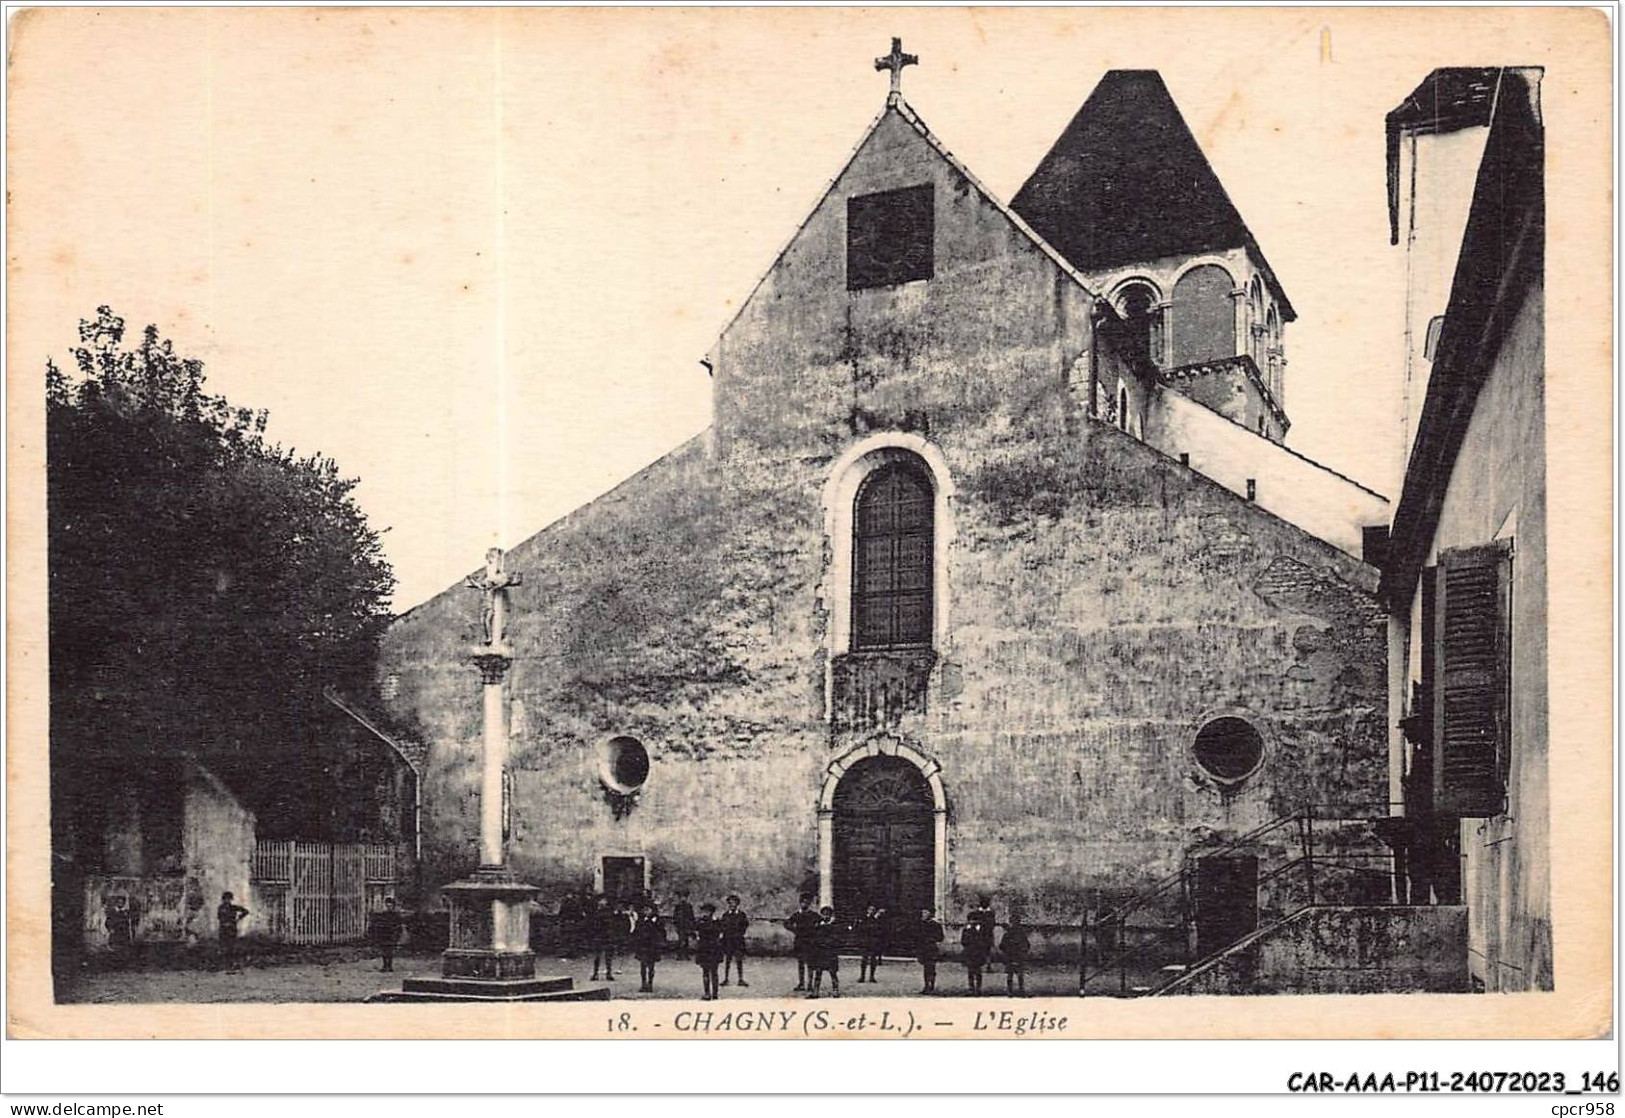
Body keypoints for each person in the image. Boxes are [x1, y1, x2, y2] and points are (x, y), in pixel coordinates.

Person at [785, 893, 819, 992]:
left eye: (807, 902)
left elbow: (821, 923)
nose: (805, 904)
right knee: (800, 963)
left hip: (810, 942)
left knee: (810, 964)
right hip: (800, 941)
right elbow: (787, 923)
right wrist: (794, 930)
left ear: (809, 903)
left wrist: (815, 932)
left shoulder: (813, 915)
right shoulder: (796, 915)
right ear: (800, 903)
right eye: (803, 902)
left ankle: (809, 984)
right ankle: (801, 983)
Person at [807, 906, 841, 999]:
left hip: (830, 952)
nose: (826, 916)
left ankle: (835, 991)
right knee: (818, 972)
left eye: (828, 914)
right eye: (824, 914)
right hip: (820, 952)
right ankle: (815, 992)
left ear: (831, 915)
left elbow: (836, 939)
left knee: (832, 972)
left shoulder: (834, 926)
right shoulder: (818, 926)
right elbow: (815, 937)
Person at [632, 901, 664, 993]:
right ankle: (643, 983)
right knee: (642, 966)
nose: (646, 911)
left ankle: (650, 984)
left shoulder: (657, 921)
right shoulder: (641, 920)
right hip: (643, 946)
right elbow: (636, 932)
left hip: (652, 946)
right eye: (644, 910)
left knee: (651, 966)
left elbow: (661, 932)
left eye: (648, 909)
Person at [694, 902, 723, 1000]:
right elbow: (695, 932)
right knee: (705, 971)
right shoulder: (700, 922)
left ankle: (715, 993)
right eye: (704, 911)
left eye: (707, 911)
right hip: (704, 949)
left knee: (714, 972)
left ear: (711, 912)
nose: (705, 913)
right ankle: (707, 992)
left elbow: (720, 932)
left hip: (713, 949)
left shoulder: (716, 922)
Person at [718, 895, 749, 988]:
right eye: (730, 903)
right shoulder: (726, 915)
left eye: (734, 903)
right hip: (728, 940)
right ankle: (726, 979)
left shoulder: (742, 915)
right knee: (728, 960)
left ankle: (740, 979)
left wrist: (740, 933)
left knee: (739, 959)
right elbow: (722, 926)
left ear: (737, 904)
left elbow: (745, 925)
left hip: (738, 940)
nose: (732, 905)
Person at [999, 912, 1031, 996]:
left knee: (1017, 974)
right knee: (1013, 974)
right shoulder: (1009, 934)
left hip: (1017, 956)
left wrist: (1022, 952)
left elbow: (1027, 945)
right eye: (1013, 922)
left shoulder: (1019, 934)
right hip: (1012, 956)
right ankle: (1013, 991)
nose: (1014, 924)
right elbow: (1002, 946)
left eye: (1016, 922)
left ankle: (1018, 990)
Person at [370, 897, 405, 973]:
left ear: (393, 906)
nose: (389, 907)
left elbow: (399, 926)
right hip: (385, 934)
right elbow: (380, 923)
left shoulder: (396, 915)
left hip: (392, 934)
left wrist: (397, 935)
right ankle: (385, 965)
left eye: (390, 906)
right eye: (387, 905)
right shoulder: (384, 914)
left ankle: (389, 966)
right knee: (384, 950)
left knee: (390, 951)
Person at [590, 895, 620, 982]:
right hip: (602, 936)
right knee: (601, 956)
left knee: (605, 956)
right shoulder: (605, 913)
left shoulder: (604, 913)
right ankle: (601, 973)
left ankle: (602, 973)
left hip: (604, 936)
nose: (601, 903)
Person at [961, 908, 991, 994]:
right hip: (970, 952)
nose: (973, 922)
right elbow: (963, 940)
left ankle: (978, 988)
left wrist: (983, 949)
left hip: (979, 952)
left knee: (978, 971)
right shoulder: (967, 929)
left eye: (975, 920)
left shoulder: (983, 929)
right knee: (970, 971)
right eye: (971, 920)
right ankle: (971, 987)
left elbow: (986, 940)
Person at [914, 908, 944, 994]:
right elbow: (916, 935)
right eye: (923, 912)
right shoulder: (920, 924)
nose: (923, 914)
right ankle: (926, 985)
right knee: (925, 968)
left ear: (930, 914)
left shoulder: (936, 925)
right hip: (923, 949)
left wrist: (930, 939)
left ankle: (931, 985)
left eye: (925, 913)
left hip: (931, 949)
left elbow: (940, 937)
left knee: (931, 967)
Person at [216, 891, 248, 967]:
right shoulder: (220, 908)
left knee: (231, 946)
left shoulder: (233, 908)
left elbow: (246, 911)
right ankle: (224, 963)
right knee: (223, 946)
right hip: (223, 929)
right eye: (225, 899)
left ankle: (232, 963)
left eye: (229, 899)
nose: (227, 900)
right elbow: (219, 917)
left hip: (231, 929)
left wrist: (238, 918)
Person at [105, 894, 137, 965]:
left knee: (123, 947)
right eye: (119, 902)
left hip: (124, 933)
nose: (120, 904)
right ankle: (114, 962)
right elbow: (108, 921)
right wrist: (110, 929)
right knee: (114, 947)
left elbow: (128, 922)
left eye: (122, 902)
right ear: (116, 903)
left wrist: (129, 932)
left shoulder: (125, 912)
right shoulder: (112, 912)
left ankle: (122, 962)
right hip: (115, 932)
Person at [856, 903, 885, 983]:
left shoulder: (877, 920)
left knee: (873, 960)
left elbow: (878, 929)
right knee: (864, 960)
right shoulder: (864, 918)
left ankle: (872, 976)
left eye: (873, 910)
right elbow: (862, 928)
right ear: (867, 910)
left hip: (873, 943)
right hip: (865, 942)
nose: (871, 911)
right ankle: (862, 976)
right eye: (870, 910)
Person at [672, 890, 696, 956]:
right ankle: (680, 954)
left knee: (686, 940)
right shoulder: (677, 907)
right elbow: (675, 916)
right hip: (680, 925)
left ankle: (686, 954)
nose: (683, 899)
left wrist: (692, 924)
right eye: (682, 897)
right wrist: (675, 923)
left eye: (684, 897)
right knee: (680, 940)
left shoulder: (689, 906)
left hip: (687, 925)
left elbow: (691, 916)